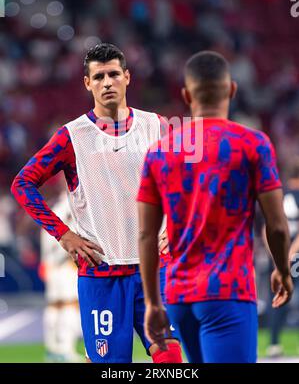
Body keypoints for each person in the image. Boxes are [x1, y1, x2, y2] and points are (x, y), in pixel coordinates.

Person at [11, 43, 182, 363]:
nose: (107, 82)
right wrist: (64, 234)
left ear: (127, 77)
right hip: (102, 273)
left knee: (170, 358)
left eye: (114, 74)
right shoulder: (71, 136)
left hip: (154, 271)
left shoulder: (158, 127)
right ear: (87, 83)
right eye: (99, 76)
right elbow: (22, 184)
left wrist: (175, 223)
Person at [137, 50, 293, 363]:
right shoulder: (252, 143)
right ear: (232, 89)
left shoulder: (159, 151)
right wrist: (282, 270)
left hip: (179, 295)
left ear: (185, 95)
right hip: (228, 290)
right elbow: (276, 225)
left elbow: (145, 235)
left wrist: (154, 302)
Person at [40, 189, 82, 362]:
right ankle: (66, 349)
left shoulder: (52, 209)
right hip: (65, 265)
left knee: (54, 306)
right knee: (70, 306)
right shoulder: (71, 206)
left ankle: (52, 347)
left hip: (51, 266)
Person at [265, 159, 299, 358]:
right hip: (295, 254)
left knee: (277, 298)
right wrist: (292, 253)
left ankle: (274, 344)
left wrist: (276, 254)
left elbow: (266, 228)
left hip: (278, 255)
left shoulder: (278, 196)